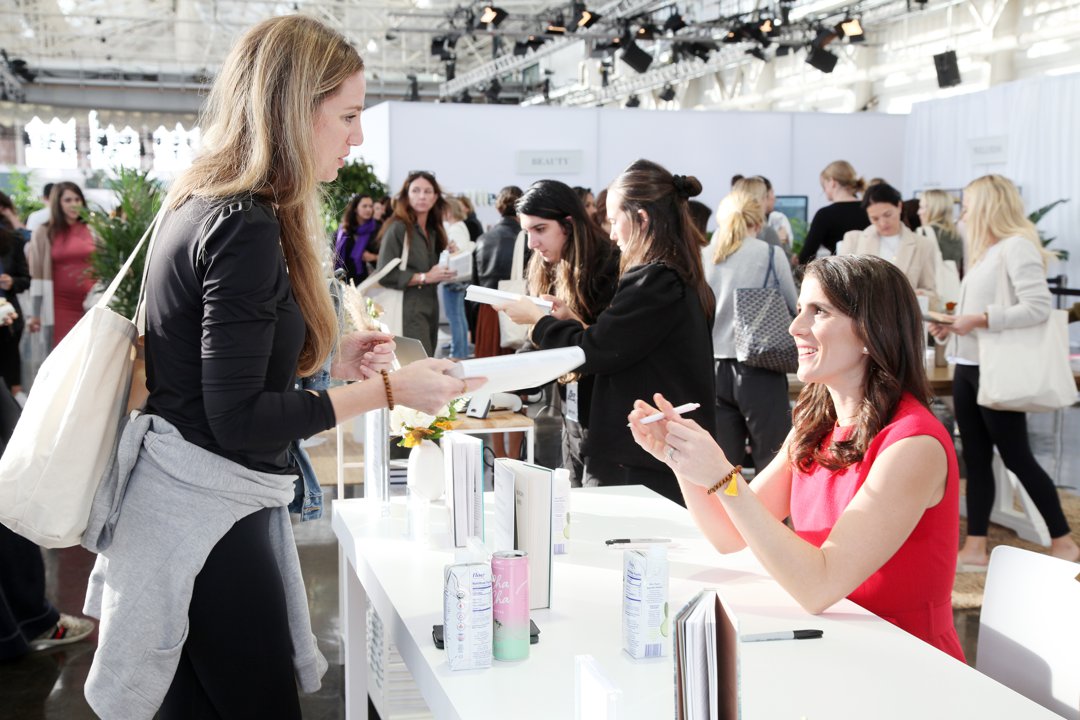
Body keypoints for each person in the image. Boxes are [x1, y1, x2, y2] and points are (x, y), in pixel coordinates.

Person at [79, 17, 483, 720]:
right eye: (349, 116)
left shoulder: (207, 205)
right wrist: (387, 390)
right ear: (295, 109)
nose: (357, 137)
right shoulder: (246, 224)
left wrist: (324, 367)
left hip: (187, 505)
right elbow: (235, 418)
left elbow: (219, 376)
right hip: (204, 516)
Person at [631, 255, 966, 661]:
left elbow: (818, 587)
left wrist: (722, 475)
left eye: (818, 311)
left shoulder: (913, 445)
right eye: (800, 309)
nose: (794, 326)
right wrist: (680, 457)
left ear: (870, 331)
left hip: (907, 661)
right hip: (834, 645)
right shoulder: (816, 426)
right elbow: (727, 535)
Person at [501, 160, 715, 504]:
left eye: (615, 221)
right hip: (647, 446)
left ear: (641, 219)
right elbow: (619, 344)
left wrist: (539, 322)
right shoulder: (674, 276)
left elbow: (599, 350)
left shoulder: (654, 280)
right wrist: (570, 323)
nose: (612, 234)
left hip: (639, 451)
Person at [929, 174, 1080, 569]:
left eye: (967, 205)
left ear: (987, 207)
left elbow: (1038, 307)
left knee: (1017, 457)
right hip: (969, 366)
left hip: (996, 371)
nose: (962, 213)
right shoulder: (986, 252)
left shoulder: (1016, 248)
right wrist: (953, 326)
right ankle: (975, 546)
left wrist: (979, 319)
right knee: (975, 460)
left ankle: (1063, 541)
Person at [515, 179, 621, 485]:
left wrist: (541, 323)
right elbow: (537, 346)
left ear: (569, 224)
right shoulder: (546, 266)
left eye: (540, 229)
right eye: (527, 232)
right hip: (571, 412)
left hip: (609, 419)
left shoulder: (609, 267)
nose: (532, 243)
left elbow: (602, 346)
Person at [705, 189, 797, 473]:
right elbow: (795, 307)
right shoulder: (770, 253)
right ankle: (769, 519)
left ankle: (723, 518)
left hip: (712, 370)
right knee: (772, 463)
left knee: (722, 469)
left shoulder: (702, 255)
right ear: (757, 221)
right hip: (761, 367)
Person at [375, 171, 457, 355]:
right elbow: (385, 274)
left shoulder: (434, 231)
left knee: (425, 361)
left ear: (435, 197)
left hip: (430, 305)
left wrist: (448, 257)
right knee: (416, 364)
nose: (422, 196)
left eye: (428, 191)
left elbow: (433, 271)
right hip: (407, 308)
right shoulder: (398, 228)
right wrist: (424, 277)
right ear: (407, 195)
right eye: (416, 190)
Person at [26, 181, 96, 351]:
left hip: (92, 302)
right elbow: (36, 274)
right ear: (57, 202)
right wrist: (35, 313)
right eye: (68, 200)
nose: (74, 204)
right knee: (64, 354)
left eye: (77, 199)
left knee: (88, 354)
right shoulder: (44, 232)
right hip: (59, 305)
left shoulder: (93, 229)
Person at [840, 181, 938, 300]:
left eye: (887, 215)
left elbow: (931, 293)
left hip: (903, 315)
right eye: (875, 218)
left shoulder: (923, 245)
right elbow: (841, 287)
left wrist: (916, 295)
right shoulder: (854, 240)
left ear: (899, 206)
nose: (882, 223)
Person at [472, 185, 523, 358]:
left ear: (498, 207)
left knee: (487, 370)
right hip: (516, 310)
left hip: (487, 312)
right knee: (516, 371)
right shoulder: (527, 239)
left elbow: (474, 286)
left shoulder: (482, 239)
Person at [796, 160, 869, 265]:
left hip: (842, 275)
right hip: (871, 273)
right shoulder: (869, 210)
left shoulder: (824, 215)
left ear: (832, 182)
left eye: (824, 186)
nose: (824, 191)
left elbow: (805, 258)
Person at [0, 196, 31, 395]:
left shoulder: (12, 240)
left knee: (10, 380)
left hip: (8, 321)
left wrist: (13, 282)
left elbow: (26, 279)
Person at [441, 195, 474, 358]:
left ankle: (458, 353)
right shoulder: (461, 226)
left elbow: (456, 252)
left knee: (455, 317)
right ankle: (461, 351)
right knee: (459, 316)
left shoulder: (455, 229)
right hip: (459, 278)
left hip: (453, 278)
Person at [333, 193, 379, 285]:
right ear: (355, 208)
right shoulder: (344, 230)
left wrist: (373, 257)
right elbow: (333, 251)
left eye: (370, 206)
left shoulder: (376, 229)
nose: (368, 209)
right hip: (344, 280)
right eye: (364, 206)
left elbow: (388, 255)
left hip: (367, 281)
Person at [917, 189, 964, 273]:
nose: (918, 212)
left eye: (921, 207)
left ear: (934, 209)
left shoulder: (923, 233)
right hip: (952, 284)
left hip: (929, 285)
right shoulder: (956, 234)